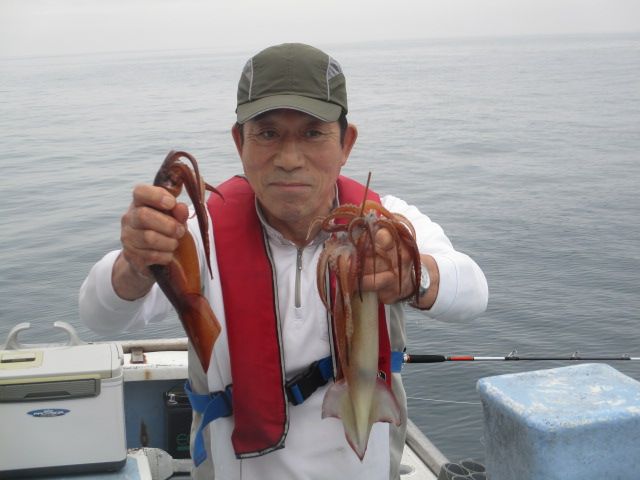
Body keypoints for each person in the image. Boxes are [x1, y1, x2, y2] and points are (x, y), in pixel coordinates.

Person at [79, 43, 488, 480]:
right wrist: (136, 263)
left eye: (313, 133)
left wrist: (415, 276)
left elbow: (473, 292)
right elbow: (99, 315)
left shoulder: (387, 223)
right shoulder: (198, 235)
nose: (290, 160)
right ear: (239, 142)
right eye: (268, 133)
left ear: (346, 143)